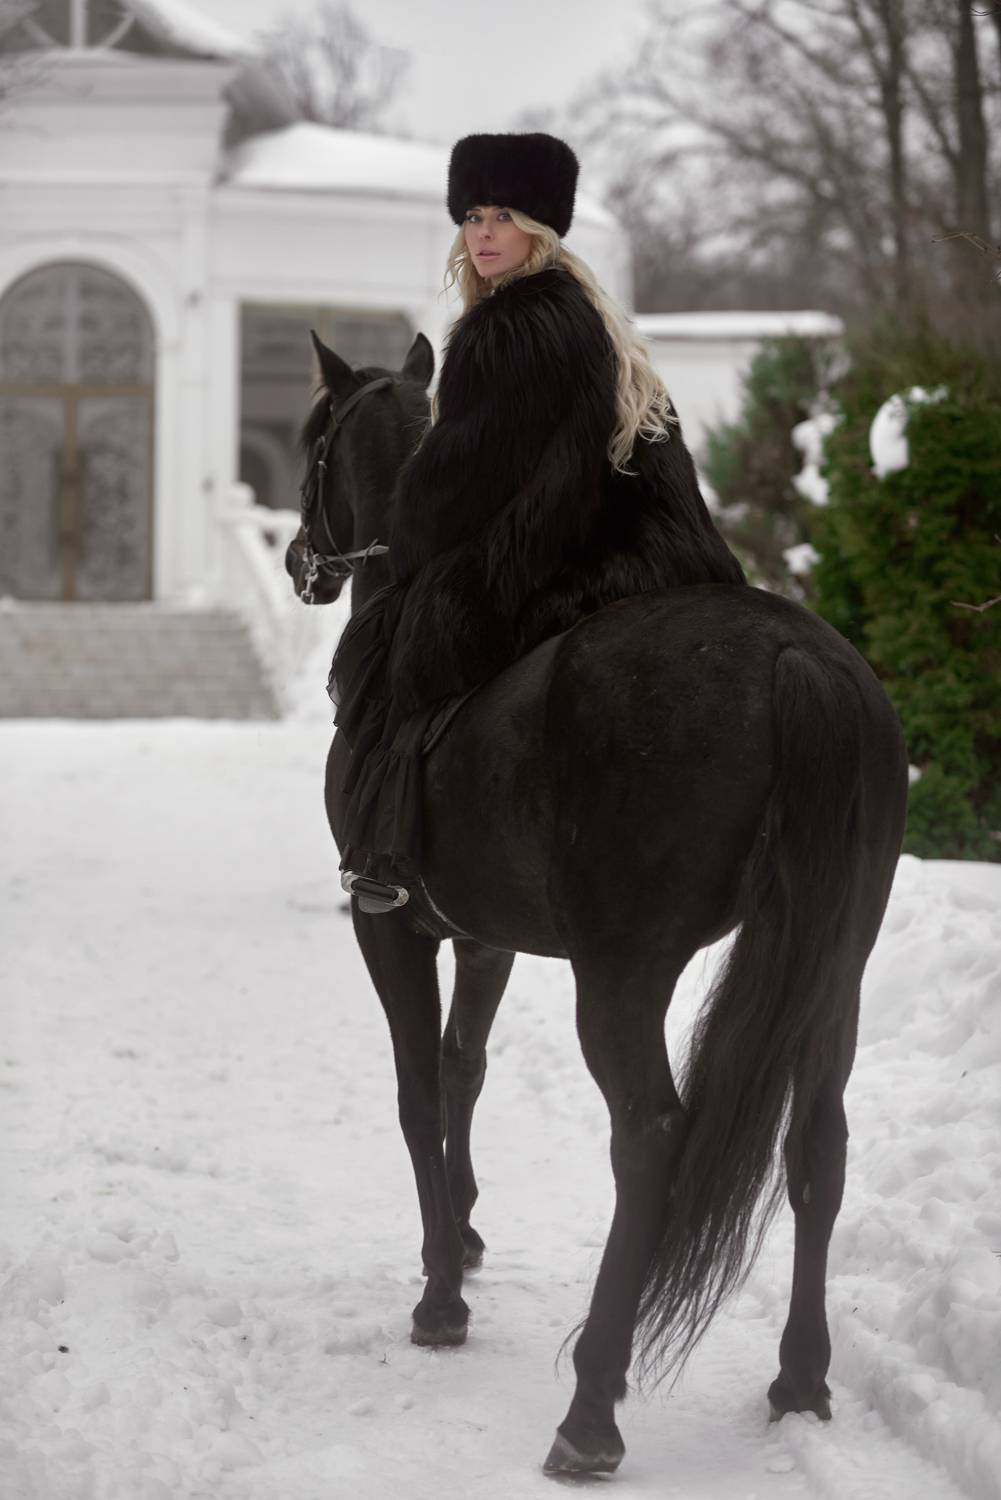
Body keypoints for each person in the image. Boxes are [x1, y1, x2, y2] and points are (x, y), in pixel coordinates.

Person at [333, 131, 745, 913]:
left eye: (503, 216)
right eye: (472, 216)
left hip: (572, 555)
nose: (483, 234)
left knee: (394, 643)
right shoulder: (584, 310)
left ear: (539, 227)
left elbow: (456, 483)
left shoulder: (508, 327)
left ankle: (384, 853)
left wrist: (406, 549)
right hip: (653, 550)